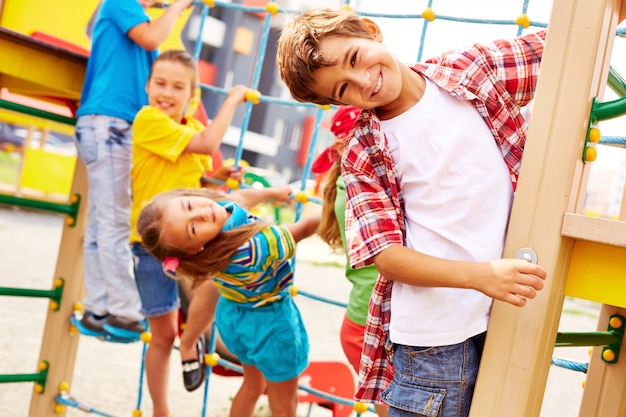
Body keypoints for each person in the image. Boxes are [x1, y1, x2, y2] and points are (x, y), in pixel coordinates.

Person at [276, 7, 548, 417]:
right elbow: (384, 255)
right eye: (343, 90)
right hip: (434, 338)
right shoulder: (365, 151)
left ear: (370, 31)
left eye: (355, 58)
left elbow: (560, 51)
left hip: (504, 313)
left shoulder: (469, 72)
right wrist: (482, 276)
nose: (364, 82)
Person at [130, 49, 256, 416]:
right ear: (148, 86)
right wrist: (232, 101)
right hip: (151, 245)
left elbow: (198, 177)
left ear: (192, 96)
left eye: (177, 86)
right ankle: (160, 409)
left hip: (189, 241)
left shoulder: (191, 129)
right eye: (160, 83)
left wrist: (221, 177)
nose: (166, 93)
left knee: (215, 285)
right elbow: (206, 146)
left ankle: (196, 343)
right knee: (161, 332)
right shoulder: (149, 119)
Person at [136, 187, 320, 417]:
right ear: (195, 248)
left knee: (253, 386)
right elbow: (306, 227)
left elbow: (238, 199)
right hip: (270, 324)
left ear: (186, 195)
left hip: (236, 316)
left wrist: (272, 192)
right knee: (285, 406)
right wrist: (343, 206)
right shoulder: (252, 248)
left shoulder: (214, 228)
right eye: (193, 228)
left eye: (189, 205)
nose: (202, 214)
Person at [73, 0, 195, 338]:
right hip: (110, 124)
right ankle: (124, 311)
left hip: (103, 125)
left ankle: (97, 307)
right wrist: (177, 7)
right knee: (113, 221)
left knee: (101, 223)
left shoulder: (125, 14)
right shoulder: (120, 3)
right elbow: (153, 39)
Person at [314, 105, 388, 417]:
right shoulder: (353, 189)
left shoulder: (353, 182)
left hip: (369, 320)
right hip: (365, 327)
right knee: (397, 409)